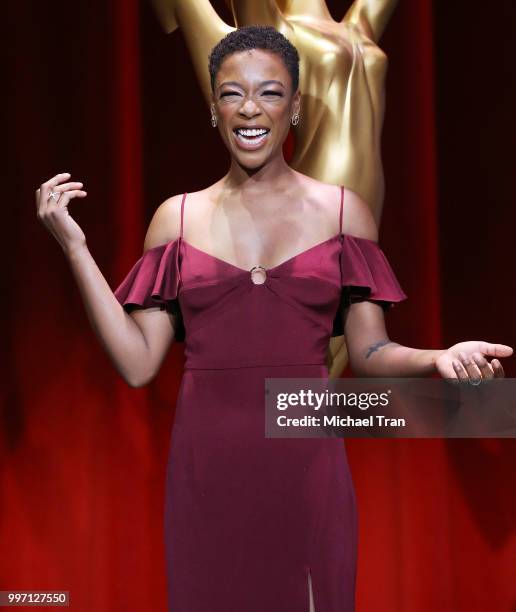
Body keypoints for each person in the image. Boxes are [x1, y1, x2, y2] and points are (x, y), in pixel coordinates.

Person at [35, 25, 512, 612]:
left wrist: (437, 357)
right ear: (214, 109)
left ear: (297, 107)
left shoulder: (342, 212)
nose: (251, 109)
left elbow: (368, 354)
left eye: (270, 92)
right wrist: (75, 249)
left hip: (306, 466)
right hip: (207, 473)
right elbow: (137, 365)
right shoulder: (176, 219)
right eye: (232, 94)